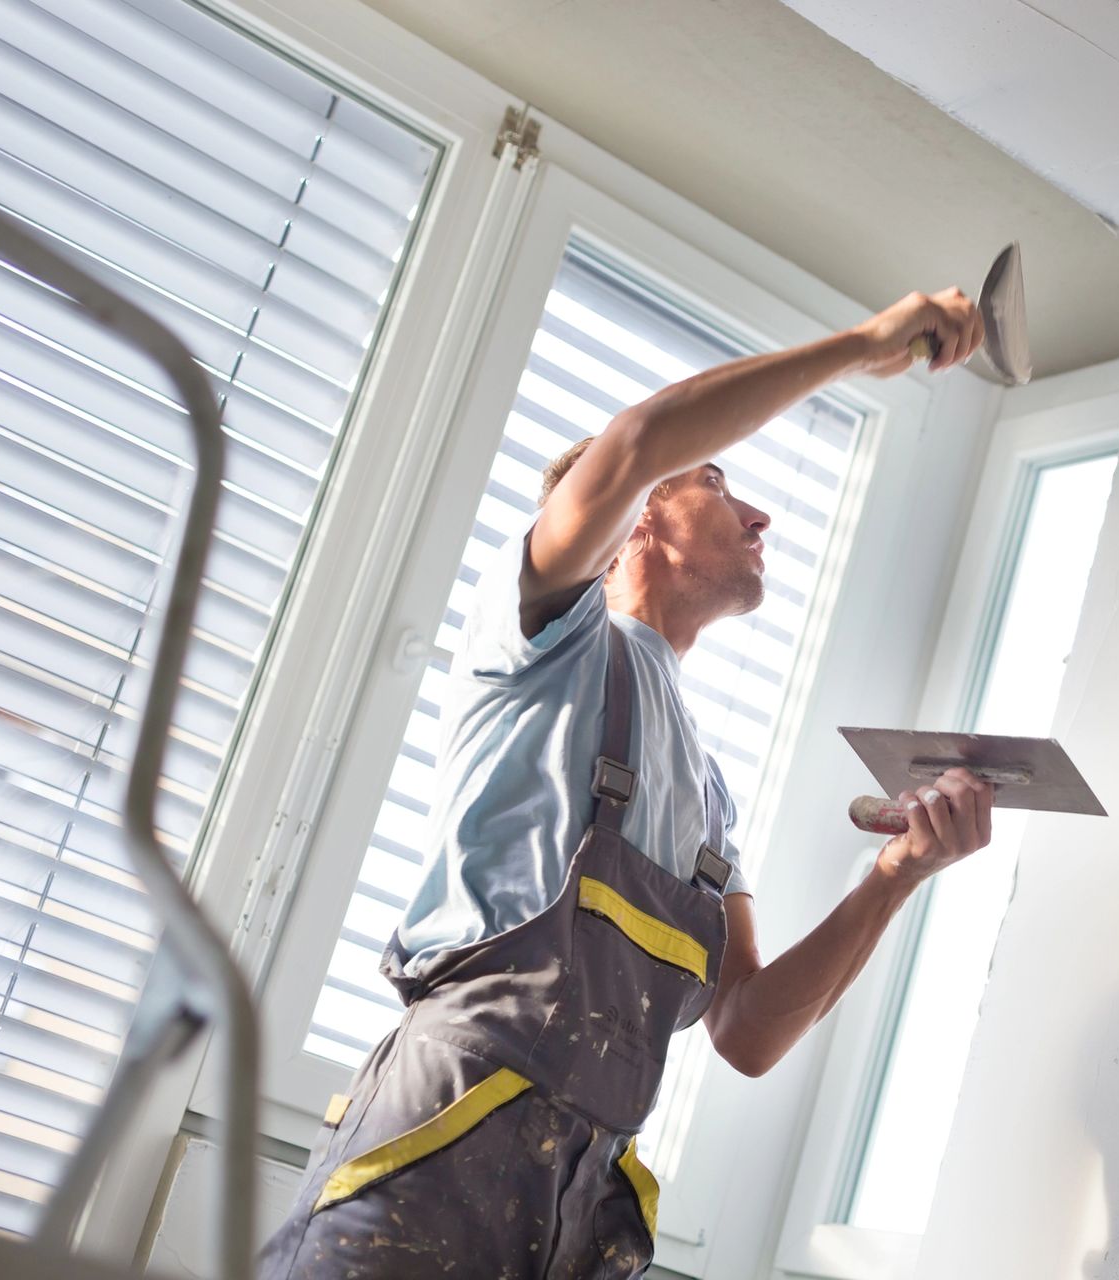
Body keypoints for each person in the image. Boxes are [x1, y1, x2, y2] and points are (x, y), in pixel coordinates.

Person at [260, 288, 997, 1278]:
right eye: (719, 481)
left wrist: (897, 872)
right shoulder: (543, 640)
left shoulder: (711, 792)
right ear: (642, 513)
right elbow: (642, 437)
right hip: (441, 1149)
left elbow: (746, 1028)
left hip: (579, 1204)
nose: (760, 511)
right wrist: (865, 346)